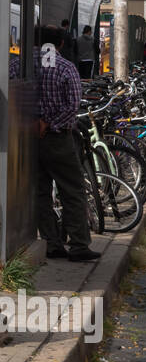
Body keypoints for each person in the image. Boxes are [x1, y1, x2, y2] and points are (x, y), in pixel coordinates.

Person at [35, 28, 100, 262]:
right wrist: (50, 123)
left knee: (40, 192)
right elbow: (72, 105)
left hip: (29, 140)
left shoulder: (16, 66)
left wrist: (34, 123)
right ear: (60, 44)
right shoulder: (65, 68)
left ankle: (52, 243)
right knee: (72, 190)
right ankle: (79, 245)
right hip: (58, 138)